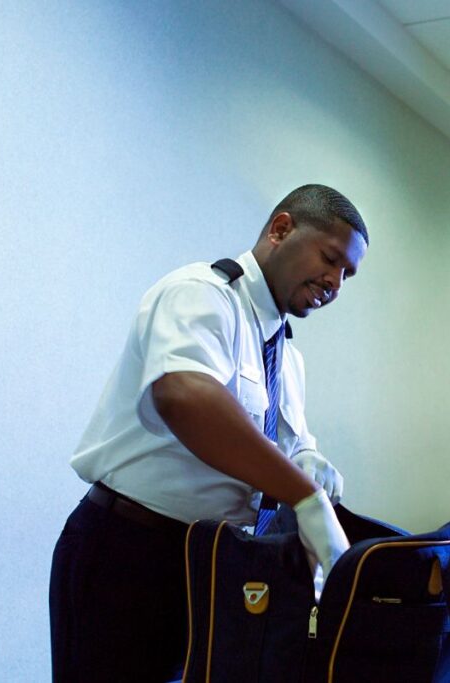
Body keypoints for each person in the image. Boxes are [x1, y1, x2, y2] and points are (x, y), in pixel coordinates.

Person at [49, 184, 369, 682]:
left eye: (347, 274)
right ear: (281, 229)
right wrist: (303, 495)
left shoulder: (286, 355)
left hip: (214, 564)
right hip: (131, 554)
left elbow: (286, 444)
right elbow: (185, 396)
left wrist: (308, 463)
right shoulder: (201, 294)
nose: (335, 283)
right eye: (330, 259)